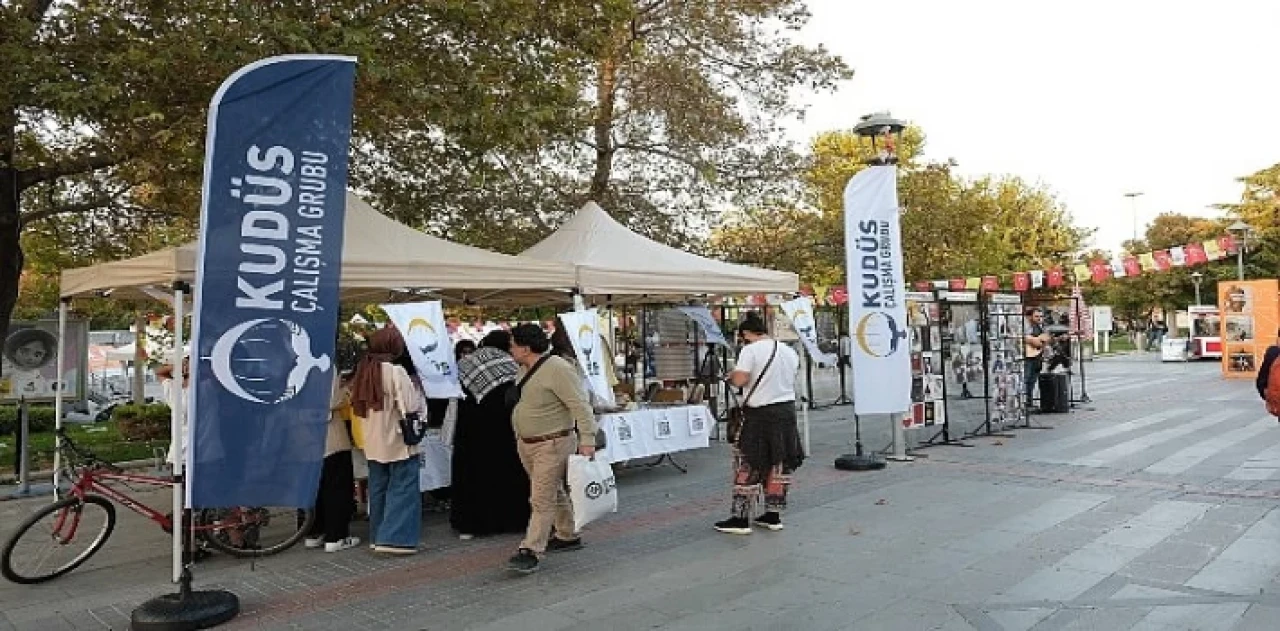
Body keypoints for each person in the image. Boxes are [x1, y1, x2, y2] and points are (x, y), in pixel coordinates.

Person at [504, 323, 598, 574]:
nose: (509, 348)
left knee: (540, 498)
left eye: (512, 344)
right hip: (529, 443)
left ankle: (531, 549)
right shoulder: (524, 368)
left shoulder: (558, 369)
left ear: (525, 348)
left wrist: (588, 439)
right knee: (551, 491)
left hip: (552, 442)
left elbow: (580, 405)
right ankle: (567, 534)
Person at [714, 313, 803, 535]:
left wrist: (731, 377)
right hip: (786, 412)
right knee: (778, 463)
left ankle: (741, 518)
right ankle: (773, 515)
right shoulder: (788, 351)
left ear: (746, 334)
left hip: (759, 414)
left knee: (749, 462)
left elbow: (741, 380)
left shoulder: (750, 350)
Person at [450, 330, 531, 539]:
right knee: (506, 475)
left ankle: (469, 525)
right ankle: (511, 521)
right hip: (502, 431)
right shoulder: (512, 366)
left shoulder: (464, 364)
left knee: (471, 475)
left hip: (468, 431)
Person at [350, 327, 424, 555]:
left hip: (372, 438)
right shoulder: (395, 371)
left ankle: (378, 535)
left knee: (379, 488)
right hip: (397, 437)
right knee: (403, 487)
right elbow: (410, 406)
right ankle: (395, 539)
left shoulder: (363, 370)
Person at [304, 371, 360, 553]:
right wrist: (347, 389)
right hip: (329, 435)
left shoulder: (289, 361)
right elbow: (332, 400)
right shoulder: (325, 365)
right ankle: (336, 536)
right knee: (336, 487)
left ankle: (313, 532)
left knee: (313, 487)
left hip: (302, 435)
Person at [1023, 308, 1050, 409]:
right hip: (1028, 356)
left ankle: (1029, 402)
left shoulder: (1042, 327)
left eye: (1041, 316)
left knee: (1032, 380)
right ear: (1030, 316)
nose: (1039, 318)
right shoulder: (1025, 325)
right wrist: (1034, 341)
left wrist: (1047, 341)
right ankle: (1023, 402)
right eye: (1037, 316)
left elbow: (1044, 341)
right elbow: (1023, 337)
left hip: (1037, 356)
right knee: (1026, 379)